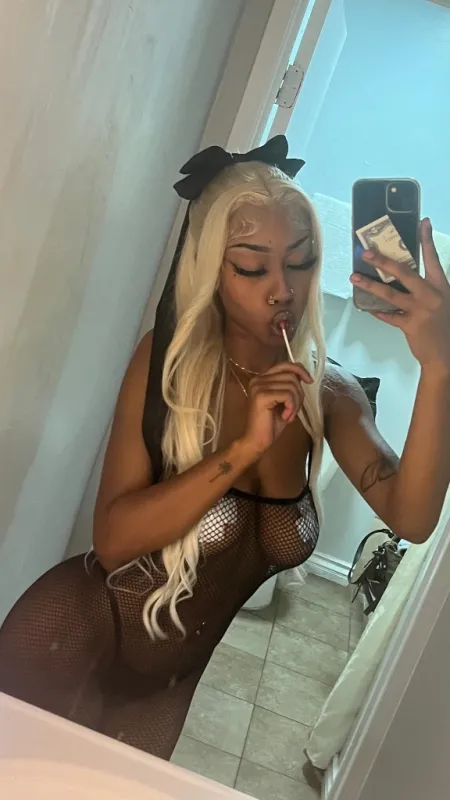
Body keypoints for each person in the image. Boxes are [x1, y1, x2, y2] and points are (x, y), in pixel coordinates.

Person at [1, 136, 449, 760]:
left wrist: (440, 368)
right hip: (71, 637)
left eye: (301, 262)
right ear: (211, 268)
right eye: (252, 268)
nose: (282, 290)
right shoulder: (168, 363)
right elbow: (113, 540)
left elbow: (414, 518)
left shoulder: (329, 394)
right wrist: (242, 449)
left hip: (166, 688)